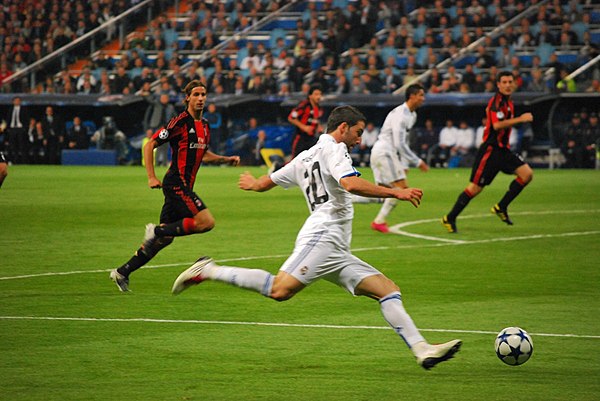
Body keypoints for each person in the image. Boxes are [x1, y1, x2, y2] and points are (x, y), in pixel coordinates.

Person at [171, 105, 461, 370]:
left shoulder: (304, 156)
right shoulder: (335, 150)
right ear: (342, 128)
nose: (360, 139)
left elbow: (264, 183)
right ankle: (208, 270)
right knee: (279, 290)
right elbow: (349, 183)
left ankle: (422, 349)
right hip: (322, 236)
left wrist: (253, 184)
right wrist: (395, 191)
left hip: (335, 247)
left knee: (387, 290)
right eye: (358, 133)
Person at [110, 80, 240, 292]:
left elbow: (203, 153)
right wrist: (151, 177)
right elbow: (151, 143)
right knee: (205, 222)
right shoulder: (179, 122)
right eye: (196, 94)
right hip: (176, 182)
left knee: (164, 240)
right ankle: (156, 230)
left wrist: (224, 158)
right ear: (187, 98)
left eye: (203, 94)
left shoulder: (205, 126)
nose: (200, 98)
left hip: (183, 185)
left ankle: (122, 272)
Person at [442, 71, 534, 233]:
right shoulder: (496, 102)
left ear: (513, 84)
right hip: (490, 151)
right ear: (498, 85)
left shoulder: (509, 103)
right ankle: (450, 217)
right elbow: (497, 126)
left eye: (510, 82)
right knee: (475, 189)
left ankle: (501, 207)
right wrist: (520, 119)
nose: (507, 85)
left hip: (503, 150)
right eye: (504, 82)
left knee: (527, 174)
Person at [368, 83, 430, 233]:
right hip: (385, 152)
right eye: (421, 95)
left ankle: (378, 220)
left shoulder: (412, 115)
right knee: (400, 189)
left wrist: (404, 163)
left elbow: (404, 140)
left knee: (383, 193)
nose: (423, 98)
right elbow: (399, 143)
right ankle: (378, 220)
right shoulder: (401, 115)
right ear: (412, 96)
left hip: (385, 153)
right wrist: (417, 161)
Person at [288, 84, 323, 159]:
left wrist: (319, 127)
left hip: (311, 138)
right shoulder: (304, 105)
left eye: (320, 94)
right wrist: (304, 127)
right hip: (300, 137)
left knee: (311, 160)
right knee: (295, 161)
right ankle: (278, 167)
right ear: (310, 96)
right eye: (316, 94)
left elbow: (315, 120)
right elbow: (291, 117)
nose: (319, 96)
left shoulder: (319, 108)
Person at [144, 93, 176, 166]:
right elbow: (149, 101)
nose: (164, 100)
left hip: (167, 128)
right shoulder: (156, 105)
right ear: (160, 99)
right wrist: (145, 95)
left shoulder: (170, 107)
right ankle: (157, 162)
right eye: (163, 98)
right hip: (157, 127)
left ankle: (164, 163)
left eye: (165, 98)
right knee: (158, 145)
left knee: (165, 146)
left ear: (168, 99)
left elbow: (175, 117)